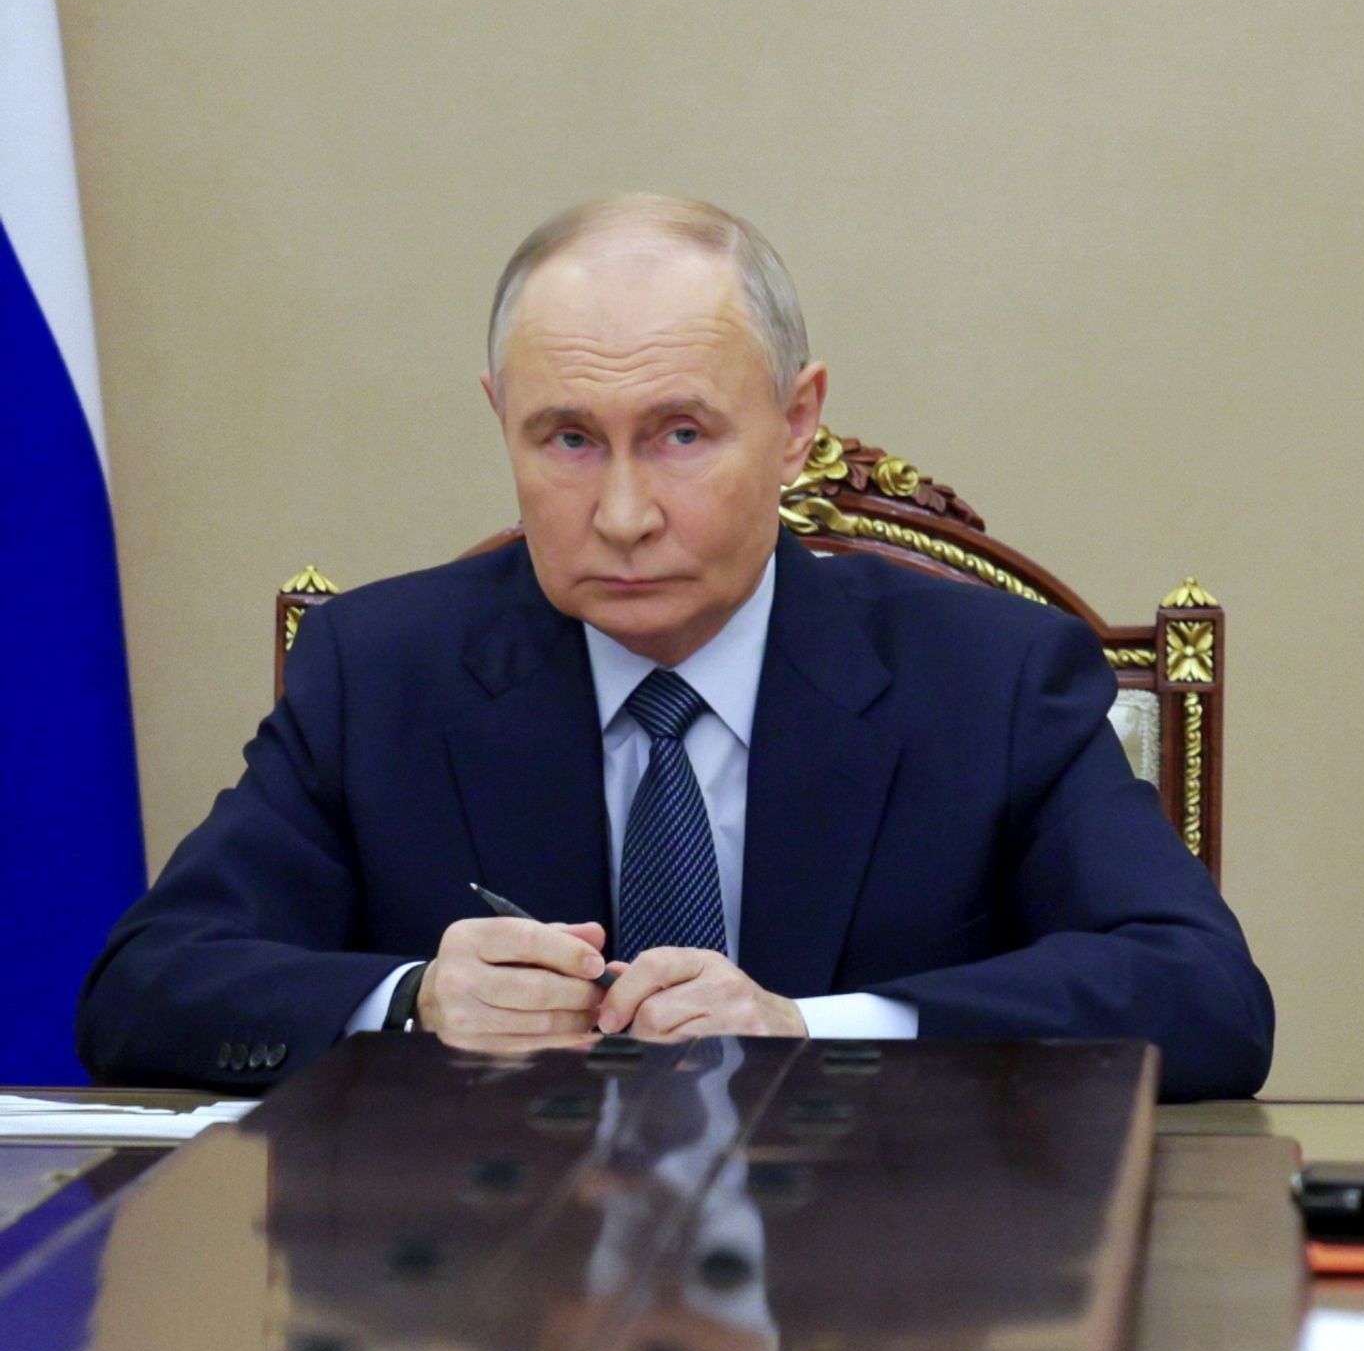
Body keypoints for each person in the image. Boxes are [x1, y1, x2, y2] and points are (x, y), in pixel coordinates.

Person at [76, 196, 1275, 1101]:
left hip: (869, 1338)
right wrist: (410, 1001)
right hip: (489, 1348)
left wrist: (819, 1029)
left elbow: (1203, 996)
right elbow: (144, 987)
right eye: (569, 439)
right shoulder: (379, 673)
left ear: (798, 423)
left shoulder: (991, 678)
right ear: (501, 417)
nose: (625, 512)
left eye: (684, 433)